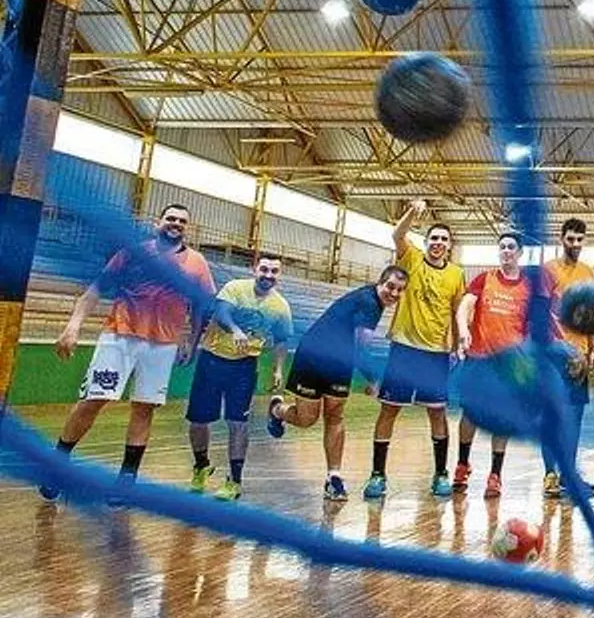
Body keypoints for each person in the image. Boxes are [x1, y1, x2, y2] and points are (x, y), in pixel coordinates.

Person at [42, 204, 217, 501]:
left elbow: (202, 306)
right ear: (158, 222)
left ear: (188, 228)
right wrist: (73, 326)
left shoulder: (197, 263)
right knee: (93, 400)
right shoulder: (132, 253)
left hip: (163, 344)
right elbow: (95, 290)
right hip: (119, 336)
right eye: (171, 218)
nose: (176, 223)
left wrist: (192, 340)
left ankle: (126, 480)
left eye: (182, 221)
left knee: (144, 408)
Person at [268, 267, 409, 500]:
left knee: (334, 415)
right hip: (313, 356)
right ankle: (277, 409)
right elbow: (361, 347)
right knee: (307, 419)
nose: (394, 293)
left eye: (399, 290)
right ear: (380, 283)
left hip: (340, 362)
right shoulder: (369, 303)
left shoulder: (376, 303)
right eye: (390, 287)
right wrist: (374, 378)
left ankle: (333, 478)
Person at [362, 200, 467, 500]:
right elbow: (397, 235)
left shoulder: (456, 274)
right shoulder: (412, 259)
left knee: (437, 413)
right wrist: (412, 212)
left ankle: (440, 473)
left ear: (449, 245)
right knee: (389, 410)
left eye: (443, 239)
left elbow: (457, 310)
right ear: (426, 241)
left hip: (436, 353)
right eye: (433, 238)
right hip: (404, 348)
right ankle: (378, 475)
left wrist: (458, 343)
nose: (438, 243)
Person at [187, 254, 292, 501]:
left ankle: (234, 481)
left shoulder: (281, 307)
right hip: (212, 360)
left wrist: (277, 369)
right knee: (198, 421)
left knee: (238, 423)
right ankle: (201, 465)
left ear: (279, 275)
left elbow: (281, 341)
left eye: (274, 271)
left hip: (244, 367)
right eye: (264, 269)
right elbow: (222, 314)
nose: (268, 275)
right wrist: (235, 330)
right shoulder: (235, 288)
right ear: (255, 269)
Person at [451, 232, 547, 499]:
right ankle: (462, 464)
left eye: (511, 247)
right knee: (470, 414)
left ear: (520, 253)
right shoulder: (485, 279)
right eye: (502, 247)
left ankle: (495, 475)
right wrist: (463, 330)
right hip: (478, 358)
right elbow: (465, 306)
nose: (506, 251)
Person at [541, 217, 594, 498]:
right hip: (553, 356)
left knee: (574, 418)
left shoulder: (589, 271)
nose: (575, 244)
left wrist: (593, 349)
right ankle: (549, 475)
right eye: (570, 239)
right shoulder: (547, 271)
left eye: (579, 240)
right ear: (561, 239)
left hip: (580, 357)